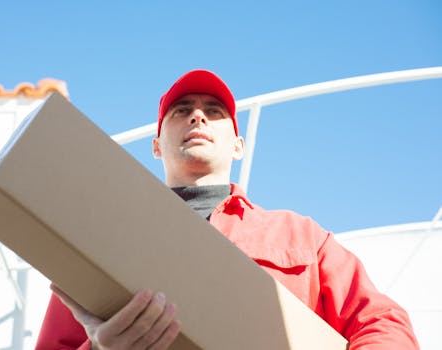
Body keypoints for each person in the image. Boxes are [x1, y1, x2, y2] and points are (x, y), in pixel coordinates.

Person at [35, 69, 419, 350]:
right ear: (156, 145)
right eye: (181, 110)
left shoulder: (301, 236)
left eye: (214, 112)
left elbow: (383, 323)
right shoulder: (103, 243)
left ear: (238, 145)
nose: (197, 116)